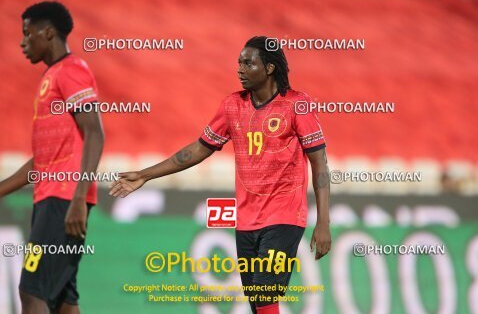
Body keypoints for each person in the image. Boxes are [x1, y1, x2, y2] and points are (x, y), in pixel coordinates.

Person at [109, 36, 331, 314]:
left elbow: (319, 163)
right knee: (258, 303)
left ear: (270, 68)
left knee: (264, 293)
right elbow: (199, 149)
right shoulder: (232, 105)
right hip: (246, 221)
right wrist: (145, 175)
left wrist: (323, 221)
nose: (239, 69)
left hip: (284, 217)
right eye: (238, 62)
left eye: (248, 63)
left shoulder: (297, 104)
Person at [0, 1, 104, 314]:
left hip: (64, 198)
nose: (22, 42)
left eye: (27, 34)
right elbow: (42, 159)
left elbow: (95, 133)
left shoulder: (72, 71)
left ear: (48, 32)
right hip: (54, 198)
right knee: (63, 301)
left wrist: (79, 199)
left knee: (32, 292)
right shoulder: (53, 77)